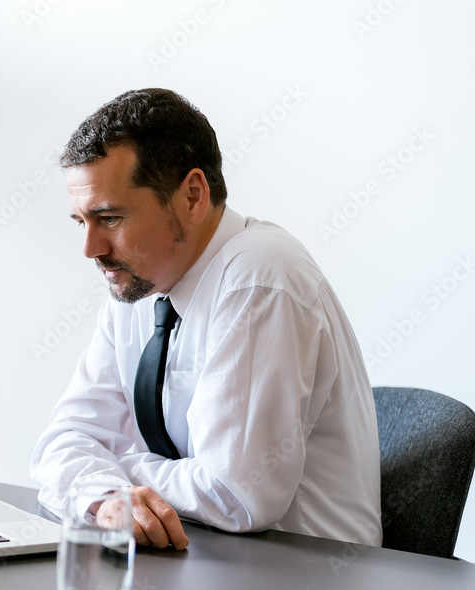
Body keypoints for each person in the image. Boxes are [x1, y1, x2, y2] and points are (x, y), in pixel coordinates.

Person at [30, 89, 382, 550]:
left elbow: (236, 494)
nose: (91, 249)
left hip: (301, 586)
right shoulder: (136, 289)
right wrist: (102, 494)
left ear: (192, 196)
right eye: (82, 223)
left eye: (110, 218)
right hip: (201, 560)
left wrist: (120, 467)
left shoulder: (260, 278)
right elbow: (62, 442)